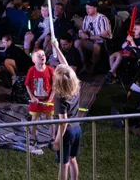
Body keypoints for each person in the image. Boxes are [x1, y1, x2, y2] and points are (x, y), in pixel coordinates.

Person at [51, 40, 82, 180]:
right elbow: (67, 67)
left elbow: (63, 122)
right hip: (77, 129)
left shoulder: (59, 98)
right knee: (73, 159)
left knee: (64, 165)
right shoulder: (75, 88)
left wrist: (57, 140)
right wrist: (57, 49)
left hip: (67, 132)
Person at [25, 48, 55, 145]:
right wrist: (32, 97)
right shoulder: (31, 70)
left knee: (50, 119)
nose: (42, 57)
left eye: (43, 55)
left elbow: (55, 86)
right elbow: (27, 85)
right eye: (39, 56)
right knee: (34, 119)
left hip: (47, 100)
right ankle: (33, 137)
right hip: (36, 101)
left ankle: (52, 138)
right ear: (33, 60)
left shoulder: (50, 70)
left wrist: (50, 99)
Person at [74, 0, 111, 74]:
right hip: (90, 41)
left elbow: (104, 36)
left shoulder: (102, 18)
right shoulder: (86, 18)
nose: (87, 10)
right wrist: (82, 33)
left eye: (89, 8)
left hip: (103, 43)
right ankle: (84, 64)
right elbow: (84, 30)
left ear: (95, 8)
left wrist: (89, 37)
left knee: (96, 46)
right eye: (86, 8)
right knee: (77, 42)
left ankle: (93, 67)